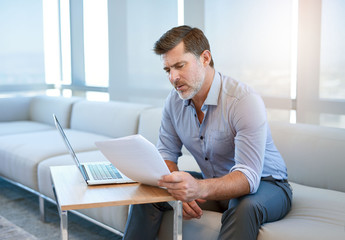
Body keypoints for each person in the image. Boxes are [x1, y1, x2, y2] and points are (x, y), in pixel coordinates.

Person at [123, 25, 292, 240]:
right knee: (151, 194)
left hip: (266, 184)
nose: (173, 77)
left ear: (205, 58)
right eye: (168, 70)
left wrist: (198, 188)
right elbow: (166, 155)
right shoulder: (174, 102)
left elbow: (248, 177)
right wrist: (178, 191)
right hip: (213, 182)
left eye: (180, 66)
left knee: (244, 207)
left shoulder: (243, 101)